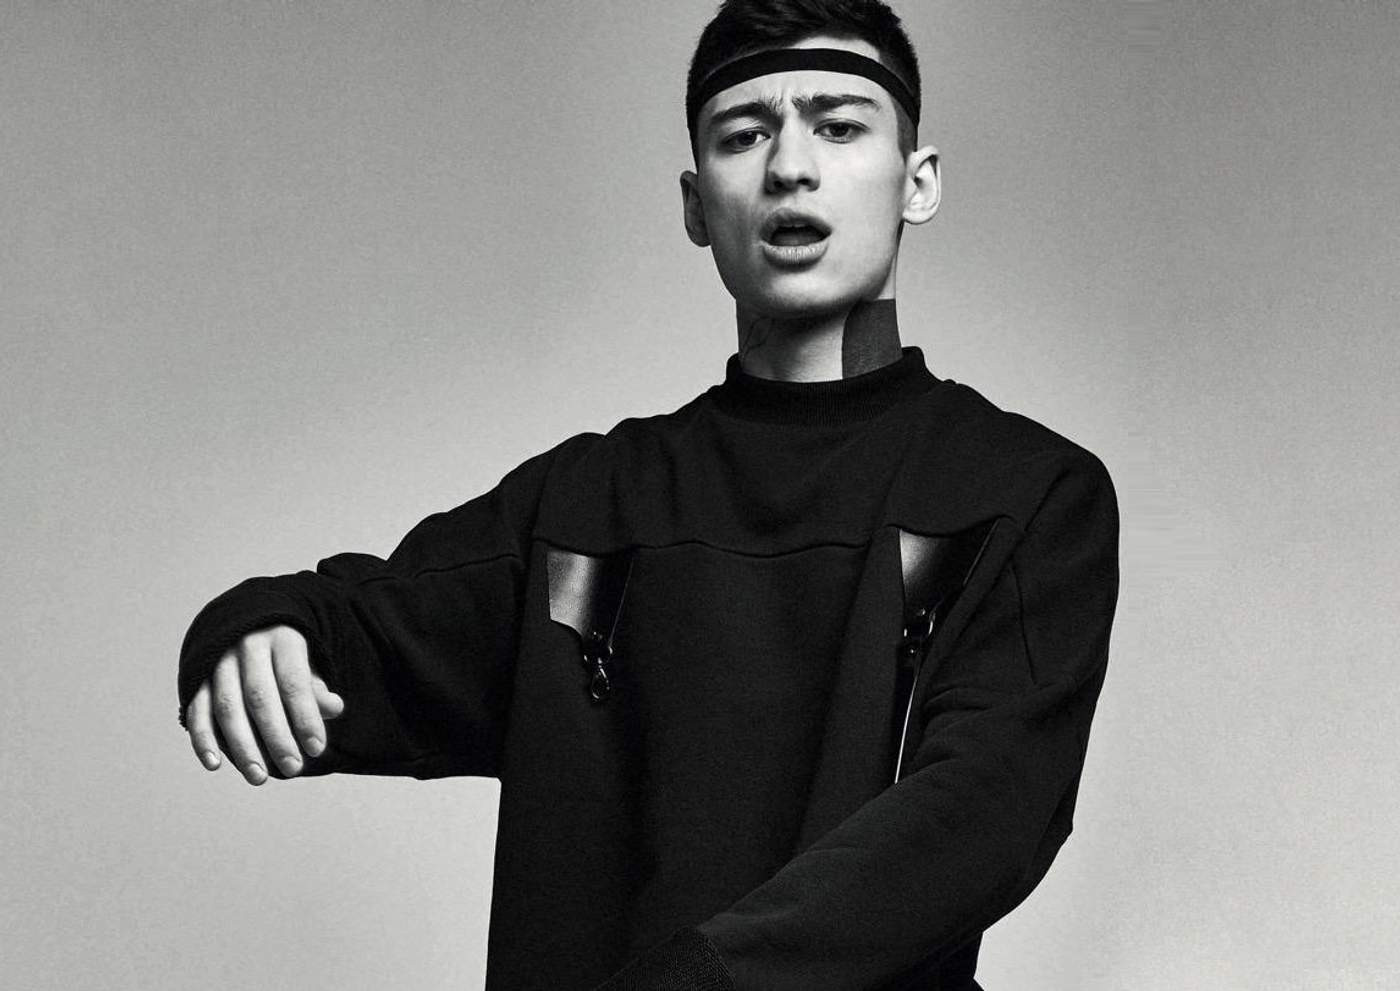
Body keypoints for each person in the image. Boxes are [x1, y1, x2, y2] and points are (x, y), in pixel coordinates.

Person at [176, 0, 1120, 987]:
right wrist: (262, 629)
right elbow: (365, 631)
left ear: (915, 182)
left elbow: (980, 810)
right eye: (743, 134)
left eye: (839, 126)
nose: (789, 166)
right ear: (694, 204)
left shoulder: (1018, 492)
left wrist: (709, 978)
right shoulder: (587, 510)